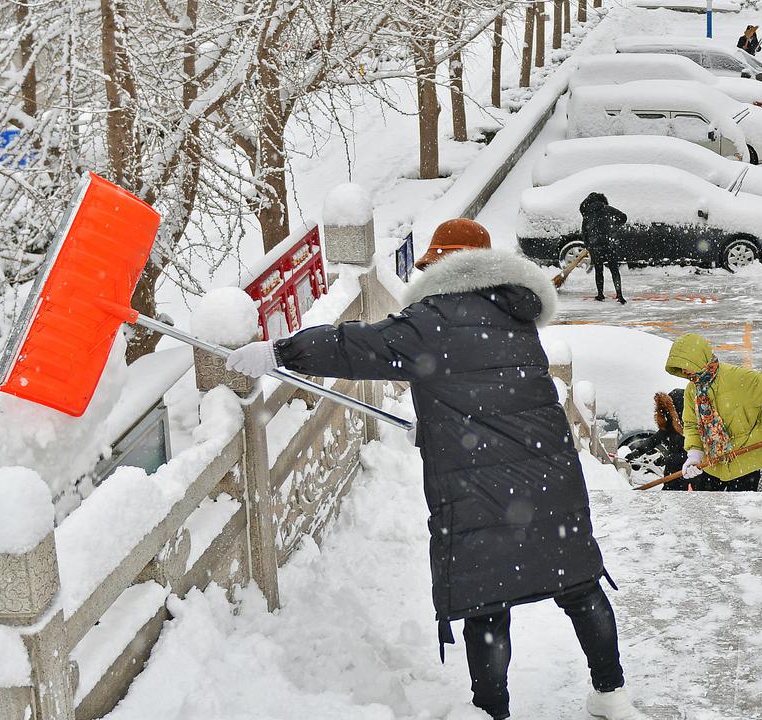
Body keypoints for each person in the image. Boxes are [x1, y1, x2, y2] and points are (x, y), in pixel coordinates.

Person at [225, 219, 647, 720]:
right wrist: (434, 425)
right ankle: (612, 695)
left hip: (475, 486)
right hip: (549, 476)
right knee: (579, 583)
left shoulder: (431, 322)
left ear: (442, 266)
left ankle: (491, 712)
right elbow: (496, 396)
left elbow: (352, 346)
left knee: (487, 601)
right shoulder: (517, 316)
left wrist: (279, 350)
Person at [663, 333, 762, 491]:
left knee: (743, 512)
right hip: (713, 465)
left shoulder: (738, 378)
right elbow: (692, 425)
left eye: (686, 366)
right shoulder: (692, 390)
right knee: (713, 512)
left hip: (748, 461)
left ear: (699, 359)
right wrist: (694, 455)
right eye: (680, 369)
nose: (685, 372)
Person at [624, 389, 689, 489]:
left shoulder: (691, 426)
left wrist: (668, 459)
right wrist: (638, 451)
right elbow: (656, 439)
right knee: (669, 493)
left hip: (689, 470)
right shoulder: (671, 421)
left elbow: (692, 452)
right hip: (672, 470)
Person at [579, 192, 628, 304]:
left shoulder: (587, 214)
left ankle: (600, 294)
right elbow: (623, 217)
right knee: (614, 270)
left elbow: (584, 233)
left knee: (599, 270)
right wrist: (614, 225)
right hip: (609, 243)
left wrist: (588, 246)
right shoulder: (608, 209)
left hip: (595, 246)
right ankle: (619, 295)